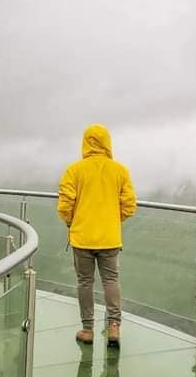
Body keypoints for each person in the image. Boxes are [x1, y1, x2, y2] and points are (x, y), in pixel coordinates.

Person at [57, 124, 137, 346]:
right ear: (107, 142)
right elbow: (129, 205)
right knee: (111, 280)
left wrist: (71, 221)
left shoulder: (74, 170)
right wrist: (112, 220)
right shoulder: (119, 170)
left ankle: (87, 329)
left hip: (82, 236)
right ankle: (114, 327)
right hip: (110, 237)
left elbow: (65, 204)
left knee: (85, 282)